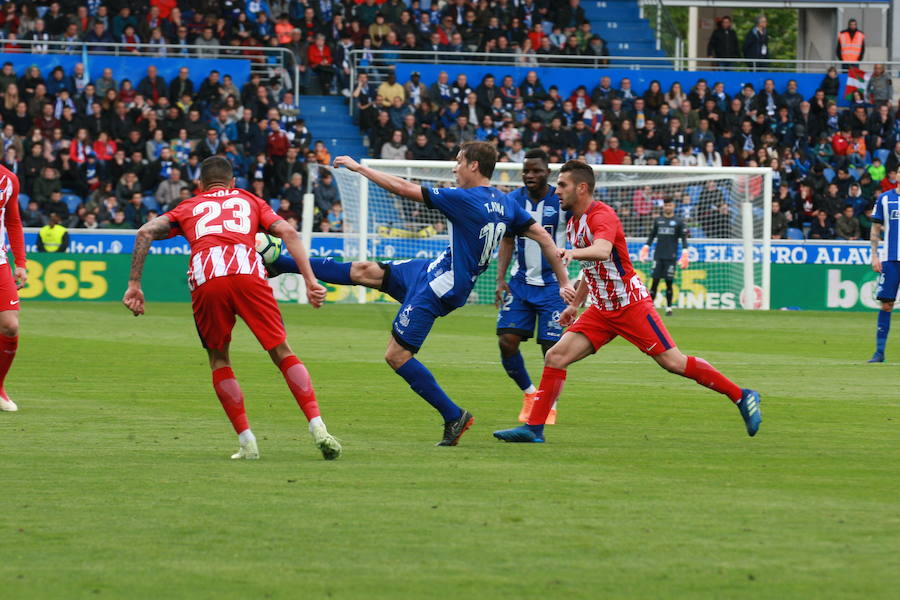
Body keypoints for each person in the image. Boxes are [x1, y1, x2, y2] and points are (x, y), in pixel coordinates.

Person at [268, 142, 574, 445]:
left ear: (473, 166)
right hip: (433, 269)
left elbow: (403, 189)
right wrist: (564, 281)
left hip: (442, 286)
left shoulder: (465, 199)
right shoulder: (506, 202)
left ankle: (453, 415)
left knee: (396, 355)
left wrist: (361, 168)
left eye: (458, 161)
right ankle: (281, 263)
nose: (454, 168)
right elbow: (545, 238)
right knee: (364, 270)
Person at [493, 161, 762, 444]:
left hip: (631, 305)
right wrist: (575, 305)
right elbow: (592, 268)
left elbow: (602, 250)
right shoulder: (573, 222)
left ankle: (742, 395)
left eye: (562, 185)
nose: (556, 190)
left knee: (673, 362)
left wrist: (571, 252)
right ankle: (534, 428)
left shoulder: (603, 215)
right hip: (601, 310)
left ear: (581, 188)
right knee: (555, 357)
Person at [122, 157, 341, 461]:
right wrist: (310, 281)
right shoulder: (249, 199)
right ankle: (318, 426)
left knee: (219, 357)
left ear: (200, 185)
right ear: (233, 182)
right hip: (248, 272)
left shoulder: (188, 206)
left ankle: (247, 442)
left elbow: (145, 231)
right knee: (282, 351)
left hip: (207, 277)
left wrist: (134, 284)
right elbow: (289, 233)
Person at [494, 150, 568, 424]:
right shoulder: (513, 200)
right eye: (526, 171)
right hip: (520, 283)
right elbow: (507, 241)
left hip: (552, 287)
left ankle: (550, 404)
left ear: (547, 172)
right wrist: (500, 279)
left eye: (536, 170)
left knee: (553, 351)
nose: (529, 175)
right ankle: (529, 394)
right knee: (507, 342)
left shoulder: (561, 201)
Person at [0, 165, 26, 411]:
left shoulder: (8, 180)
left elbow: (13, 222)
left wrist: (21, 263)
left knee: (10, 325)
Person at [639, 198, 689, 316]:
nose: (668, 207)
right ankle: (650, 308)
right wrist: (646, 246)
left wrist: (685, 251)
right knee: (654, 283)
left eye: (670, 205)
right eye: (666, 205)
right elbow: (652, 236)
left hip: (671, 257)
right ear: (664, 207)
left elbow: (683, 238)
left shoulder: (679, 222)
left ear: (673, 206)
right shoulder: (658, 221)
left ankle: (669, 308)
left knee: (669, 283)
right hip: (658, 256)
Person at [867, 183, 900, 362]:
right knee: (887, 304)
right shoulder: (885, 199)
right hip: (891, 259)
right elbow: (875, 228)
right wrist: (874, 255)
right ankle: (879, 353)